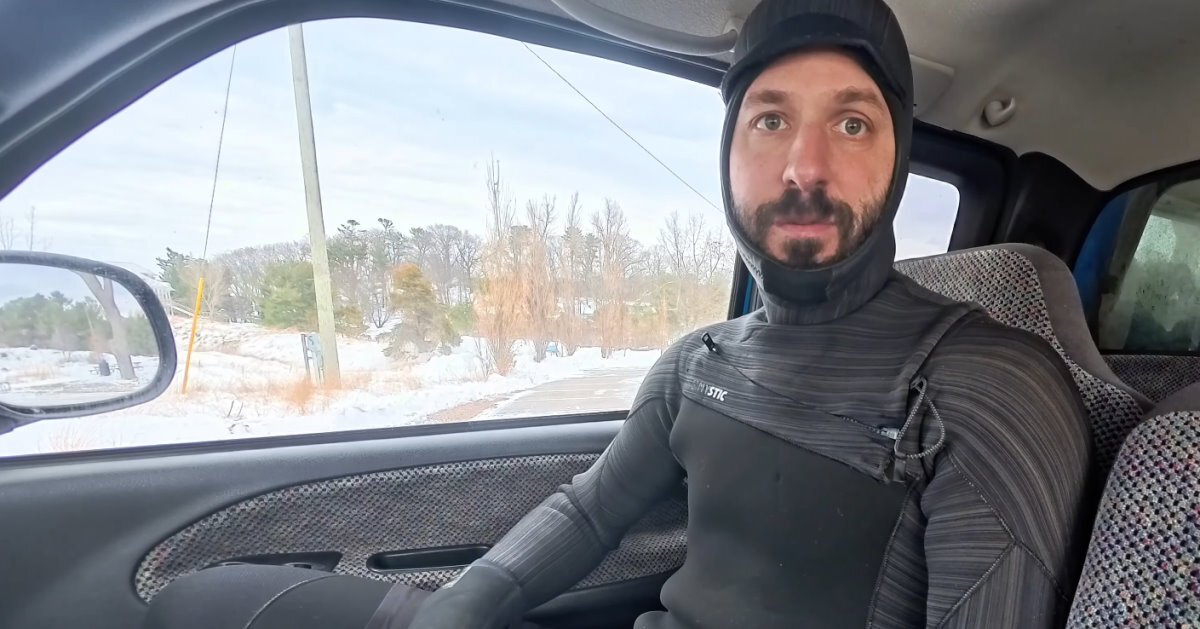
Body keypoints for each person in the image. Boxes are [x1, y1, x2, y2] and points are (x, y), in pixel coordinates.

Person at [143, 0, 1092, 627]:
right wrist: (457, 610)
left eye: (852, 121)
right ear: (728, 153)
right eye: (770, 119)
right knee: (198, 603)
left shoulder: (986, 387)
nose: (806, 166)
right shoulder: (698, 362)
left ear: (893, 157)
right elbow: (591, 508)